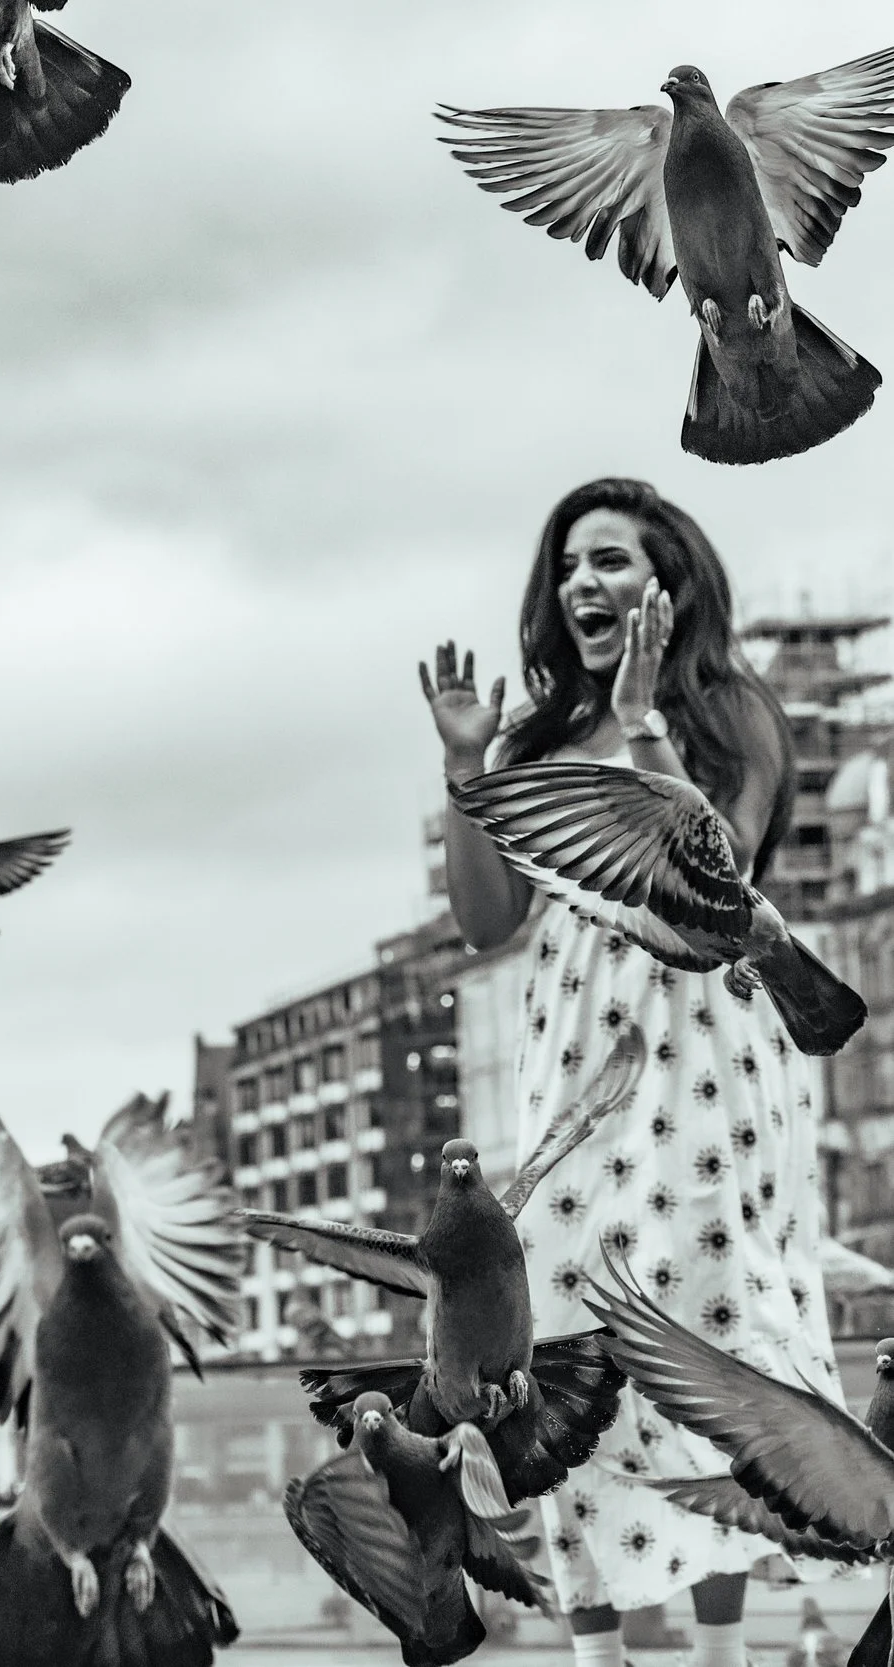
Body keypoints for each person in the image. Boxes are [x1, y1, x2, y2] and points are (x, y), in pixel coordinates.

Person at [422, 477, 843, 1667]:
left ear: (670, 580)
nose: (579, 586)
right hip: (578, 1063)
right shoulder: (539, 742)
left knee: (702, 1312)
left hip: (706, 1052)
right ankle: (597, 1646)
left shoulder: (730, 716)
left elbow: (712, 893)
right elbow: (486, 919)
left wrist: (646, 722)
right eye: (567, 568)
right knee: (559, 1329)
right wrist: (466, 764)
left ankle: (720, 1648)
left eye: (606, 561)